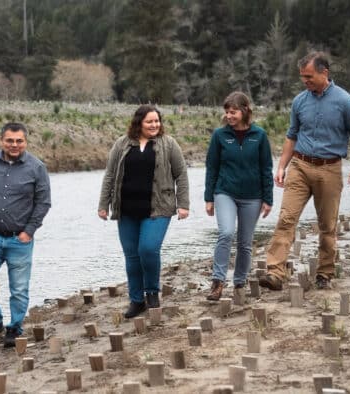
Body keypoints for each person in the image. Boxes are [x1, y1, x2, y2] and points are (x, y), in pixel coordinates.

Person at [259, 51, 350, 291]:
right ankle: (275, 272)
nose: (305, 81)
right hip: (300, 166)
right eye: (302, 77)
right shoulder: (299, 101)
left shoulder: (345, 101)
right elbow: (292, 136)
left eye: (309, 76)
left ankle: (325, 273)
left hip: (329, 169)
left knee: (327, 225)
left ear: (324, 72)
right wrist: (281, 167)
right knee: (286, 218)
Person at [98, 105, 190, 318]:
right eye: (149, 122)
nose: (154, 125)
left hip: (159, 208)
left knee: (148, 249)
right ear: (138, 123)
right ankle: (136, 300)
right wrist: (104, 204)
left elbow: (181, 174)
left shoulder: (169, 144)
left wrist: (183, 204)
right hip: (127, 209)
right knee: (132, 256)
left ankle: (152, 293)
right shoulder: (121, 144)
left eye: (157, 121)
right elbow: (110, 175)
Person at [0, 122, 51, 347]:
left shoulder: (37, 168)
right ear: (1, 141)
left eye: (19, 141)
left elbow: (43, 203)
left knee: (19, 289)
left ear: (25, 142)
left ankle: (14, 328)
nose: (14, 145)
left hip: (20, 239)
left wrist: (29, 231)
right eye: (10, 141)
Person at [204, 92, 273, 301]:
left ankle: (239, 282)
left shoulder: (259, 136)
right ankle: (218, 281)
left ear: (244, 110)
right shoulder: (219, 136)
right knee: (225, 233)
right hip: (225, 192)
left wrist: (268, 199)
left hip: (253, 196)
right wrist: (209, 198)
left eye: (233, 112)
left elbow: (266, 169)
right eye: (227, 112)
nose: (229, 116)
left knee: (245, 242)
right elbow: (212, 167)